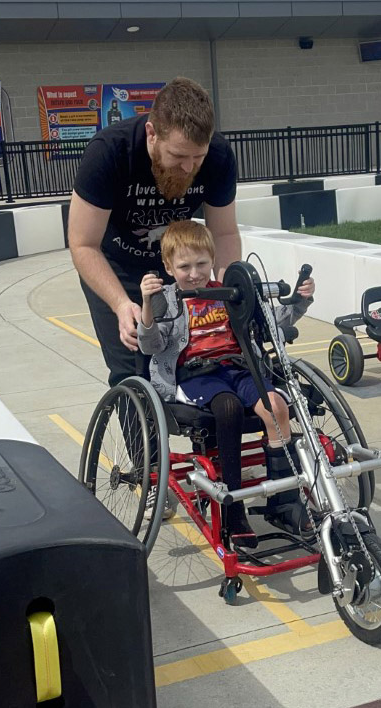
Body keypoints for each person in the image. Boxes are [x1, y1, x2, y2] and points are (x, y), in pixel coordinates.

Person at [138, 220, 315, 549]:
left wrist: (300, 300)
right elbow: (151, 345)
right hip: (196, 374)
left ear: (213, 259)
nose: (194, 273)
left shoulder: (230, 292)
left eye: (202, 264)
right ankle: (233, 509)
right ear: (168, 267)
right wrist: (146, 306)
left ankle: (285, 502)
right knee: (228, 407)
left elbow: (271, 321)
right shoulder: (165, 299)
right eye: (184, 266)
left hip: (239, 368)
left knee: (277, 407)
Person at [68, 76, 241, 388]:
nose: (189, 168)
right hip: (114, 266)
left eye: (197, 158)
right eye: (178, 156)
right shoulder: (109, 153)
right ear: (151, 134)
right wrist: (121, 304)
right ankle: (140, 437)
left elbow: (225, 233)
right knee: (132, 370)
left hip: (178, 264)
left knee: (196, 359)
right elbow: (83, 244)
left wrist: (225, 289)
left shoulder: (218, 155)